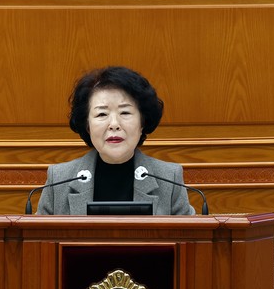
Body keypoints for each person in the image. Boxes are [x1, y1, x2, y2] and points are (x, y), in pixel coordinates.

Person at [36, 66, 195, 215]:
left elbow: (189, 234)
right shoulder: (59, 180)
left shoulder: (170, 179)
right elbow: (39, 236)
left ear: (142, 123)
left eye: (125, 112)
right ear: (87, 126)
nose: (114, 124)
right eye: (102, 114)